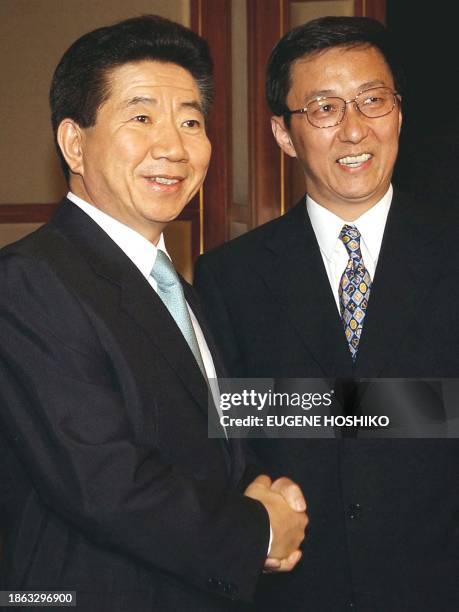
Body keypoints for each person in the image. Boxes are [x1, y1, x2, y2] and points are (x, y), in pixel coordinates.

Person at [0, 15, 308, 612]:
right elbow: (101, 482)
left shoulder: (179, 284)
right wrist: (258, 531)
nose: (173, 146)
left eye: (191, 121)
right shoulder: (29, 280)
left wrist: (265, 487)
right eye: (140, 117)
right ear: (74, 143)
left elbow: (198, 431)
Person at [194, 16, 459, 612]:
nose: (354, 129)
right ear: (284, 135)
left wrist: (300, 403)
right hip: (295, 588)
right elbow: (229, 433)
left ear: (399, 113)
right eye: (324, 109)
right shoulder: (228, 276)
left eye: (373, 100)